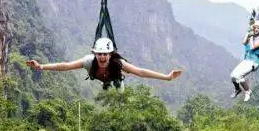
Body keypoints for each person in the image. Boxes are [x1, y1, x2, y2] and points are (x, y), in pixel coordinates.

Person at [26, 38, 183, 89]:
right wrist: (41, 66)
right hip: (99, 78)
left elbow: (140, 72)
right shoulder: (89, 61)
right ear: (95, 54)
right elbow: (65, 66)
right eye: (99, 54)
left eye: (105, 54)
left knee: (120, 95)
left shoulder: (117, 63)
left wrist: (167, 77)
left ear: (110, 54)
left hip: (115, 79)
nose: (102, 57)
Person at [230, 21, 259, 102]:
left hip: (253, 62)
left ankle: (248, 91)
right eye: (255, 27)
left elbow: (252, 47)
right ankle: (237, 90)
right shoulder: (250, 37)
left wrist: (251, 37)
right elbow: (244, 42)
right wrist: (248, 33)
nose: (256, 29)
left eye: (258, 28)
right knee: (233, 76)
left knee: (238, 76)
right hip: (246, 60)